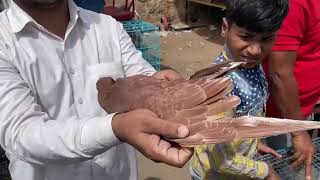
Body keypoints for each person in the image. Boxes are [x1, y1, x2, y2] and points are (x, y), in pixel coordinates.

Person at [0, 0, 194, 180]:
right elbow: (22, 134)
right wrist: (117, 128)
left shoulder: (107, 27)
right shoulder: (3, 40)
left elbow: (139, 76)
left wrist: (156, 85)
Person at [191, 0, 289, 179]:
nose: (255, 50)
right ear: (224, 28)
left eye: (266, 39)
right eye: (246, 37)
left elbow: (244, 117)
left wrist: (252, 143)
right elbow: (222, 160)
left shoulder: (250, 65)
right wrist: (267, 172)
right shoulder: (221, 87)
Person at [263, 0, 320, 179]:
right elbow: (279, 73)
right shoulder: (296, 4)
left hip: (305, 106)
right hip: (281, 117)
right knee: (283, 170)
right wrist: (298, 131)